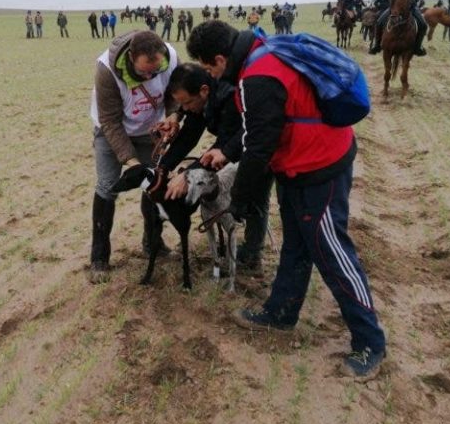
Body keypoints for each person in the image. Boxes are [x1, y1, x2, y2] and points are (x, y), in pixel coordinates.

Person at [186, 20, 387, 379]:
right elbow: (261, 133)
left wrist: (240, 202)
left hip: (319, 167)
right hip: (297, 165)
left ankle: (370, 340)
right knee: (296, 244)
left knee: (332, 251)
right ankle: (280, 312)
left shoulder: (256, 77)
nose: (209, 75)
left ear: (219, 58)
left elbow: (258, 147)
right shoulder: (262, 49)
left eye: (207, 67)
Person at [158, 63, 270, 274]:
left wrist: (187, 175)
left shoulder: (228, 98)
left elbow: (226, 144)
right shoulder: (201, 102)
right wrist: (163, 168)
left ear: (203, 90)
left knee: (256, 197)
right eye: (180, 106)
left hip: (259, 144)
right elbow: (189, 135)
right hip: (236, 142)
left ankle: (252, 257)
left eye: (187, 103)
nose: (185, 110)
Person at [88, 30, 179, 282]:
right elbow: (109, 121)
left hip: (148, 129)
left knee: (154, 184)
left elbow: (174, 93)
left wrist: (173, 115)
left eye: (155, 70)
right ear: (130, 58)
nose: (150, 76)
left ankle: (153, 243)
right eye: (143, 72)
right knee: (107, 187)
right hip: (111, 132)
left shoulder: (170, 57)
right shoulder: (106, 70)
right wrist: (131, 161)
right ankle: (99, 258)